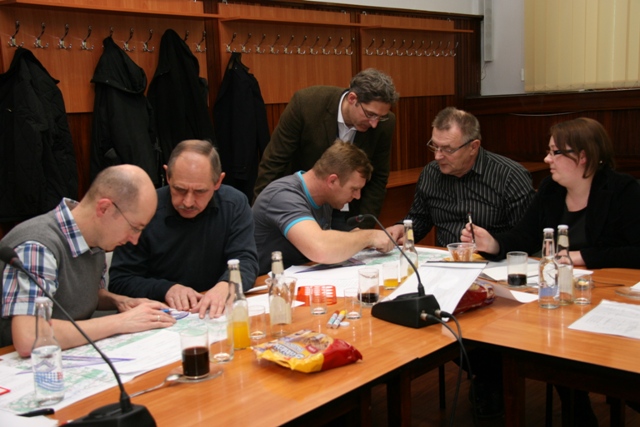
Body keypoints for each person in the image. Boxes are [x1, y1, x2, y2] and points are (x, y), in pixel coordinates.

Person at [461, 117, 640, 426]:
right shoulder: (550, 189)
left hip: (610, 298)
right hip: (560, 298)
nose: (547, 159)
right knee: (547, 339)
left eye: (555, 152)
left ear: (582, 157)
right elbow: (523, 236)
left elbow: (637, 249)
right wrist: (492, 243)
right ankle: (577, 411)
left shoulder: (622, 190)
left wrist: (582, 256)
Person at [1, 165, 175, 357]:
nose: (135, 240)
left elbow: (80, 294)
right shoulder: (37, 246)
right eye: (135, 228)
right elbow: (29, 337)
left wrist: (120, 301)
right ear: (104, 208)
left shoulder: (95, 239)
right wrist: (121, 322)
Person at [109, 140, 259, 319]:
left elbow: (246, 260)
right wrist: (166, 289)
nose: (188, 202)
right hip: (159, 315)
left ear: (218, 182)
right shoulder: (142, 210)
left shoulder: (233, 204)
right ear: (168, 176)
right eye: (179, 189)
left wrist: (227, 285)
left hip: (212, 312)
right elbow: (120, 281)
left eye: (200, 191)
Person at [253, 68, 399, 230]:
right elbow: (274, 162)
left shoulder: (386, 124)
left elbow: (378, 177)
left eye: (381, 117)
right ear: (352, 98)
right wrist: (259, 215)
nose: (375, 123)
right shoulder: (306, 104)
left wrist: (362, 227)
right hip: (302, 205)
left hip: (348, 211)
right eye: (370, 114)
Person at [387, 106, 535, 247]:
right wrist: (401, 229)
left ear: (473, 147)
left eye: (448, 149)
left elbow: (527, 237)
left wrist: (494, 244)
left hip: (494, 261)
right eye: (435, 146)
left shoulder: (510, 177)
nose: (438, 156)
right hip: (445, 259)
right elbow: (420, 218)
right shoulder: (431, 173)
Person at [252, 140, 395, 274]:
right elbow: (320, 248)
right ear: (332, 181)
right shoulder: (284, 196)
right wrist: (369, 236)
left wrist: (354, 238)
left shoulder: (325, 198)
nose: (357, 196)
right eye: (354, 189)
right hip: (265, 284)